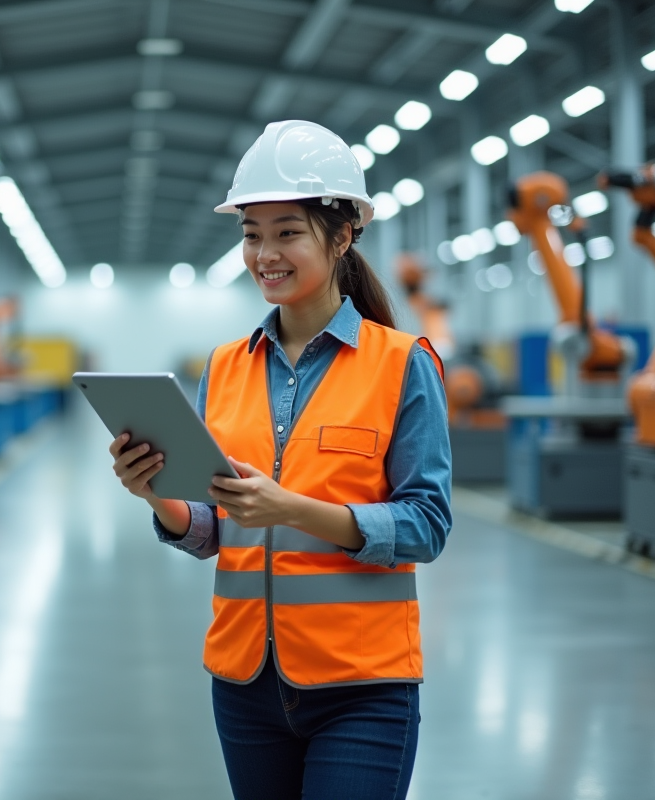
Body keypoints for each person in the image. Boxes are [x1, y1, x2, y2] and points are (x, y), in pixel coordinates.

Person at [107, 121, 452, 800]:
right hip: (245, 684)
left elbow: (426, 526)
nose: (265, 254)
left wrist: (293, 509)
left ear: (343, 235)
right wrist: (155, 493)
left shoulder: (402, 364)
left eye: (287, 232)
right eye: (251, 234)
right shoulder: (225, 367)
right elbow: (212, 528)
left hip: (362, 684)